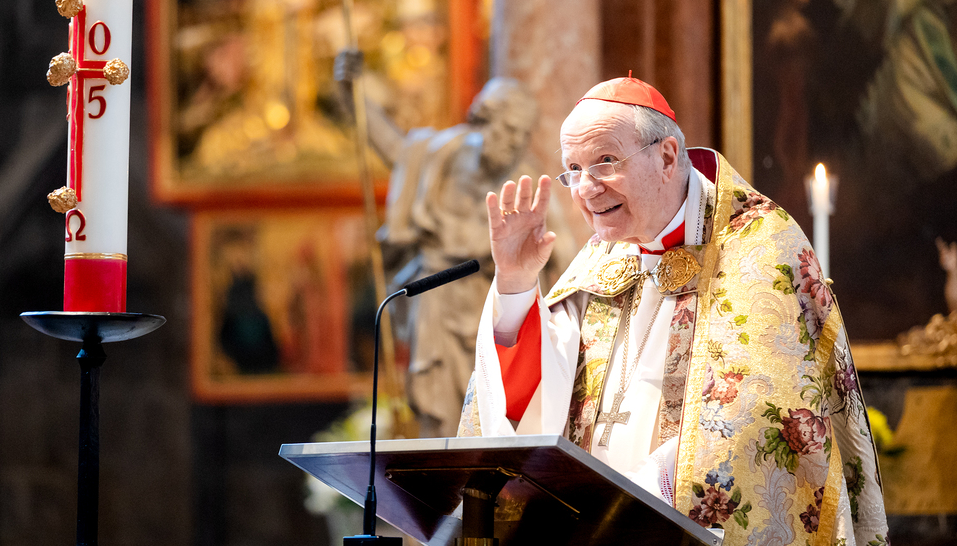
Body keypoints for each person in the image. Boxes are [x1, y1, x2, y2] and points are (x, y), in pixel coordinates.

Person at [457, 76, 889, 545]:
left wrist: (630, 497)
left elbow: (760, 412)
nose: (586, 188)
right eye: (574, 169)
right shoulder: (603, 253)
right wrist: (516, 283)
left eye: (605, 162)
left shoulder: (759, 245)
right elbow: (534, 389)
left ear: (665, 157)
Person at [335, 51, 573, 437]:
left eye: (522, 135)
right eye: (508, 130)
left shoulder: (527, 180)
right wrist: (354, 94)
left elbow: (562, 249)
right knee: (436, 407)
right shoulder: (438, 154)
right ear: (484, 119)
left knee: (491, 404)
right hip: (436, 297)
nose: (514, 143)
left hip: (490, 303)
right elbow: (392, 148)